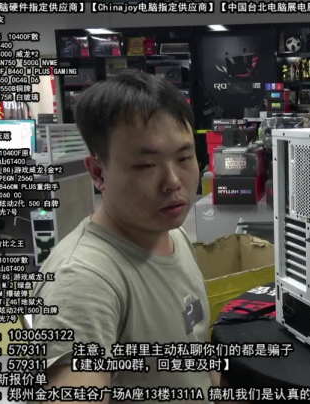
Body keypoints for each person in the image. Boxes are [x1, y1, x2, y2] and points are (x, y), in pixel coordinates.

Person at [31, 72, 220, 402]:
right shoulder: (83, 279)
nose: (173, 181)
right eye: (146, 165)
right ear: (98, 173)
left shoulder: (172, 235)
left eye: (184, 158)